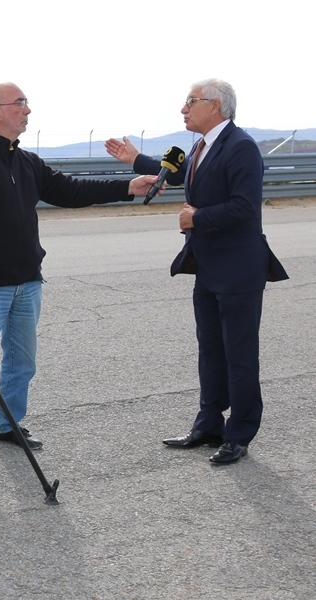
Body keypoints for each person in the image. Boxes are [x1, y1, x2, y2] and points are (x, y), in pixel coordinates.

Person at [0, 81, 162, 469]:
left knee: (22, 364)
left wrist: (127, 187)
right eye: (20, 103)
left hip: (28, 281)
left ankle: (7, 425)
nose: (27, 110)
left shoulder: (26, 161)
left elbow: (69, 190)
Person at [105, 78, 288, 465]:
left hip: (238, 268)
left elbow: (245, 206)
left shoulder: (240, 146)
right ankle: (209, 425)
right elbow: (180, 173)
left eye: (191, 101)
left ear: (215, 106)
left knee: (239, 355)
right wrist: (136, 159)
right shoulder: (203, 145)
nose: (183, 109)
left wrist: (197, 217)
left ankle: (240, 433)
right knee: (211, 350)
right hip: (207, 266)